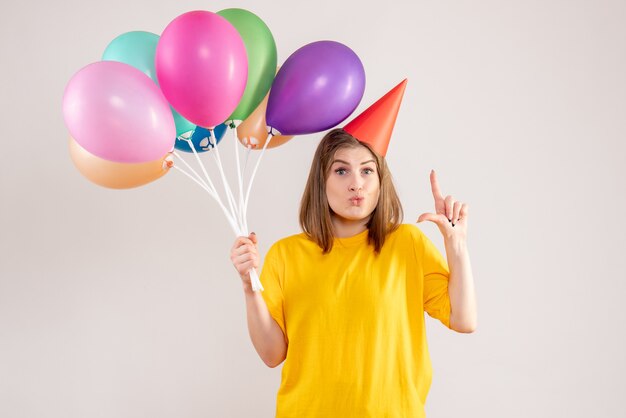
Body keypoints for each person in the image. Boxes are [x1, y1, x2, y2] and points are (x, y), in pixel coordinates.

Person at [230, 82, 477, 418]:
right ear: (322, 180)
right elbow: (272, 354)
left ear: (379, 182)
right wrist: (249, 287)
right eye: (341, 170)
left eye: (367, 171)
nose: (356, 183)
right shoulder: (286, 255)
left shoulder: (407, 244)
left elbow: (464, 320)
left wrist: (456, 245)